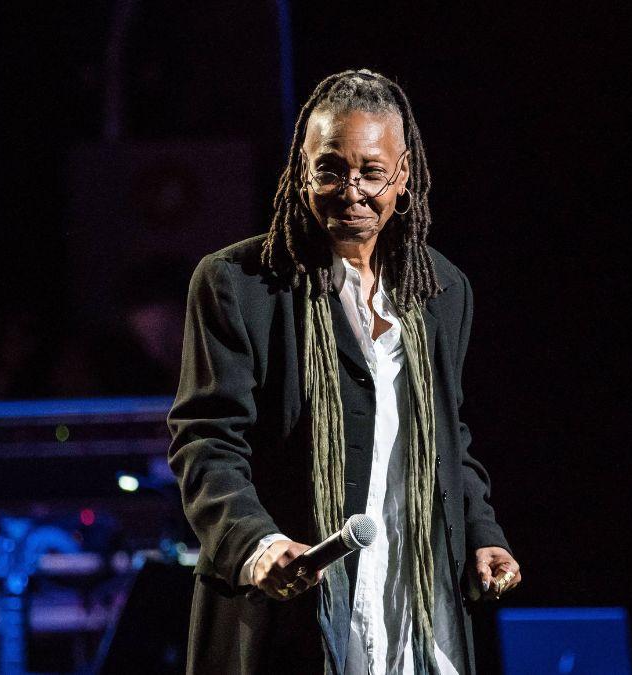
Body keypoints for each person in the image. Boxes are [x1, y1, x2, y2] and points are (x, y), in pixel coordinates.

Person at [168, 69, 520, 674]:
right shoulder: (239, 284)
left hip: (415, 607)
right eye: (330, 169)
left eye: (371, 172)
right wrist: (259, 544)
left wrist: (482, 532)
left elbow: (448, 438)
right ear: (300, 170)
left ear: (404, 176)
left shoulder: (443, 289)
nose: (350, 191)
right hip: (295, 615)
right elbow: (206, 441)